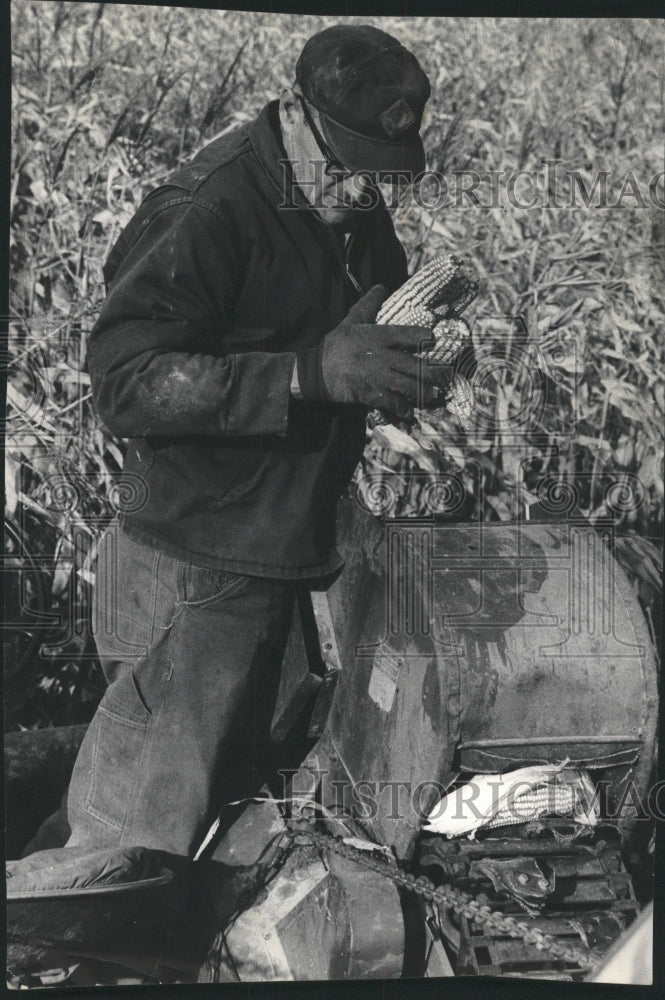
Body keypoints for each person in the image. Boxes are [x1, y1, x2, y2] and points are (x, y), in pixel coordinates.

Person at [63, 24, 450, 860]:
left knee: (244, 803)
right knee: (139, 836)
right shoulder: (211, 206)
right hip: (196, 548)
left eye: (380, 177)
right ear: (296, 116)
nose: (363, 192)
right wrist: (310, 375)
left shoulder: (350, 200)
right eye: (346, 167)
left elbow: (359, 329)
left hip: (289, 540)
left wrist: (397, 368)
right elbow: (127, 381)